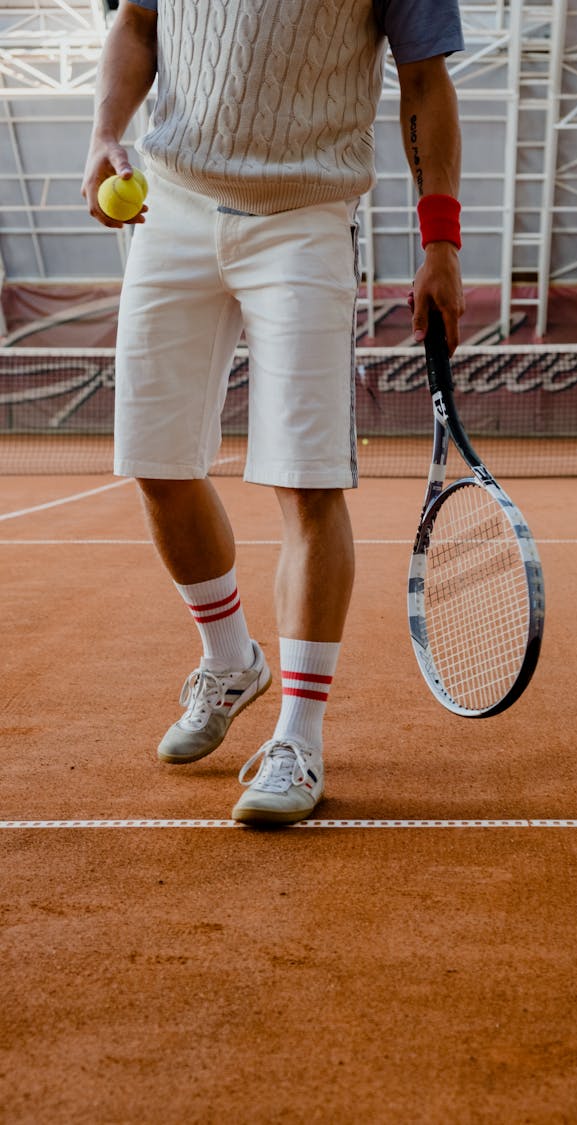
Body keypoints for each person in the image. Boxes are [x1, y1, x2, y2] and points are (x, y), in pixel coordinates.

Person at [82, 0, 466, 825]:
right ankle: (230, 660)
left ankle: (299, 737)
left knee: (307, 479)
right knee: (155, 464)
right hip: (170, 203)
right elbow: (138, 24)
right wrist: (105, 131)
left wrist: (441, 243)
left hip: (305, 219)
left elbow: (425, 79)